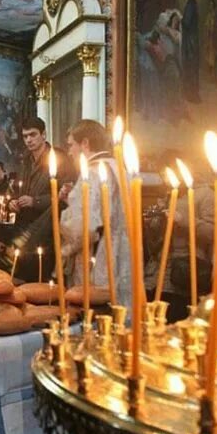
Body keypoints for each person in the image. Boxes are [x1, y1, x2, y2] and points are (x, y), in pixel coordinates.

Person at [59, 120, 131, 308]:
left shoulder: (91, 173)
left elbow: (82, 229)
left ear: (85, 143)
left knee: (95, 319)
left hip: (96, 258)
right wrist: (71, 200)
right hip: (122, 251)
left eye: (71, 145)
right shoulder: (120, 168)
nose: (69, 151)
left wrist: (62, 250)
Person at [9, 117, 76, 282]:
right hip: (25, 229)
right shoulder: (25, 160)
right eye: (25, 136)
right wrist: (14, 201)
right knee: (24, 281)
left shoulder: (59, 159)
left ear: (44, 134)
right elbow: (19, 189)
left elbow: (68, 195)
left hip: (48, 230)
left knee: (43, 283)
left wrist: (35, 201)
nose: (29, 140)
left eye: (32, 135)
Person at [161, 166, 214, 322]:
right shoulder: (170, 194)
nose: (164, 179)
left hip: (186, 271)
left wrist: (182, 219)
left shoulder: (206, 194)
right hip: (160, 274)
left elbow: (211, 232)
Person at [181, 0, 201, 102]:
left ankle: (191, 95)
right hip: (193, 39)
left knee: (190, 67)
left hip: (190, 41)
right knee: (192, 67)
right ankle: (192, 94)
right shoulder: (193, 3)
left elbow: (187, 22)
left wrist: (180, 20)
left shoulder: (191, 4)